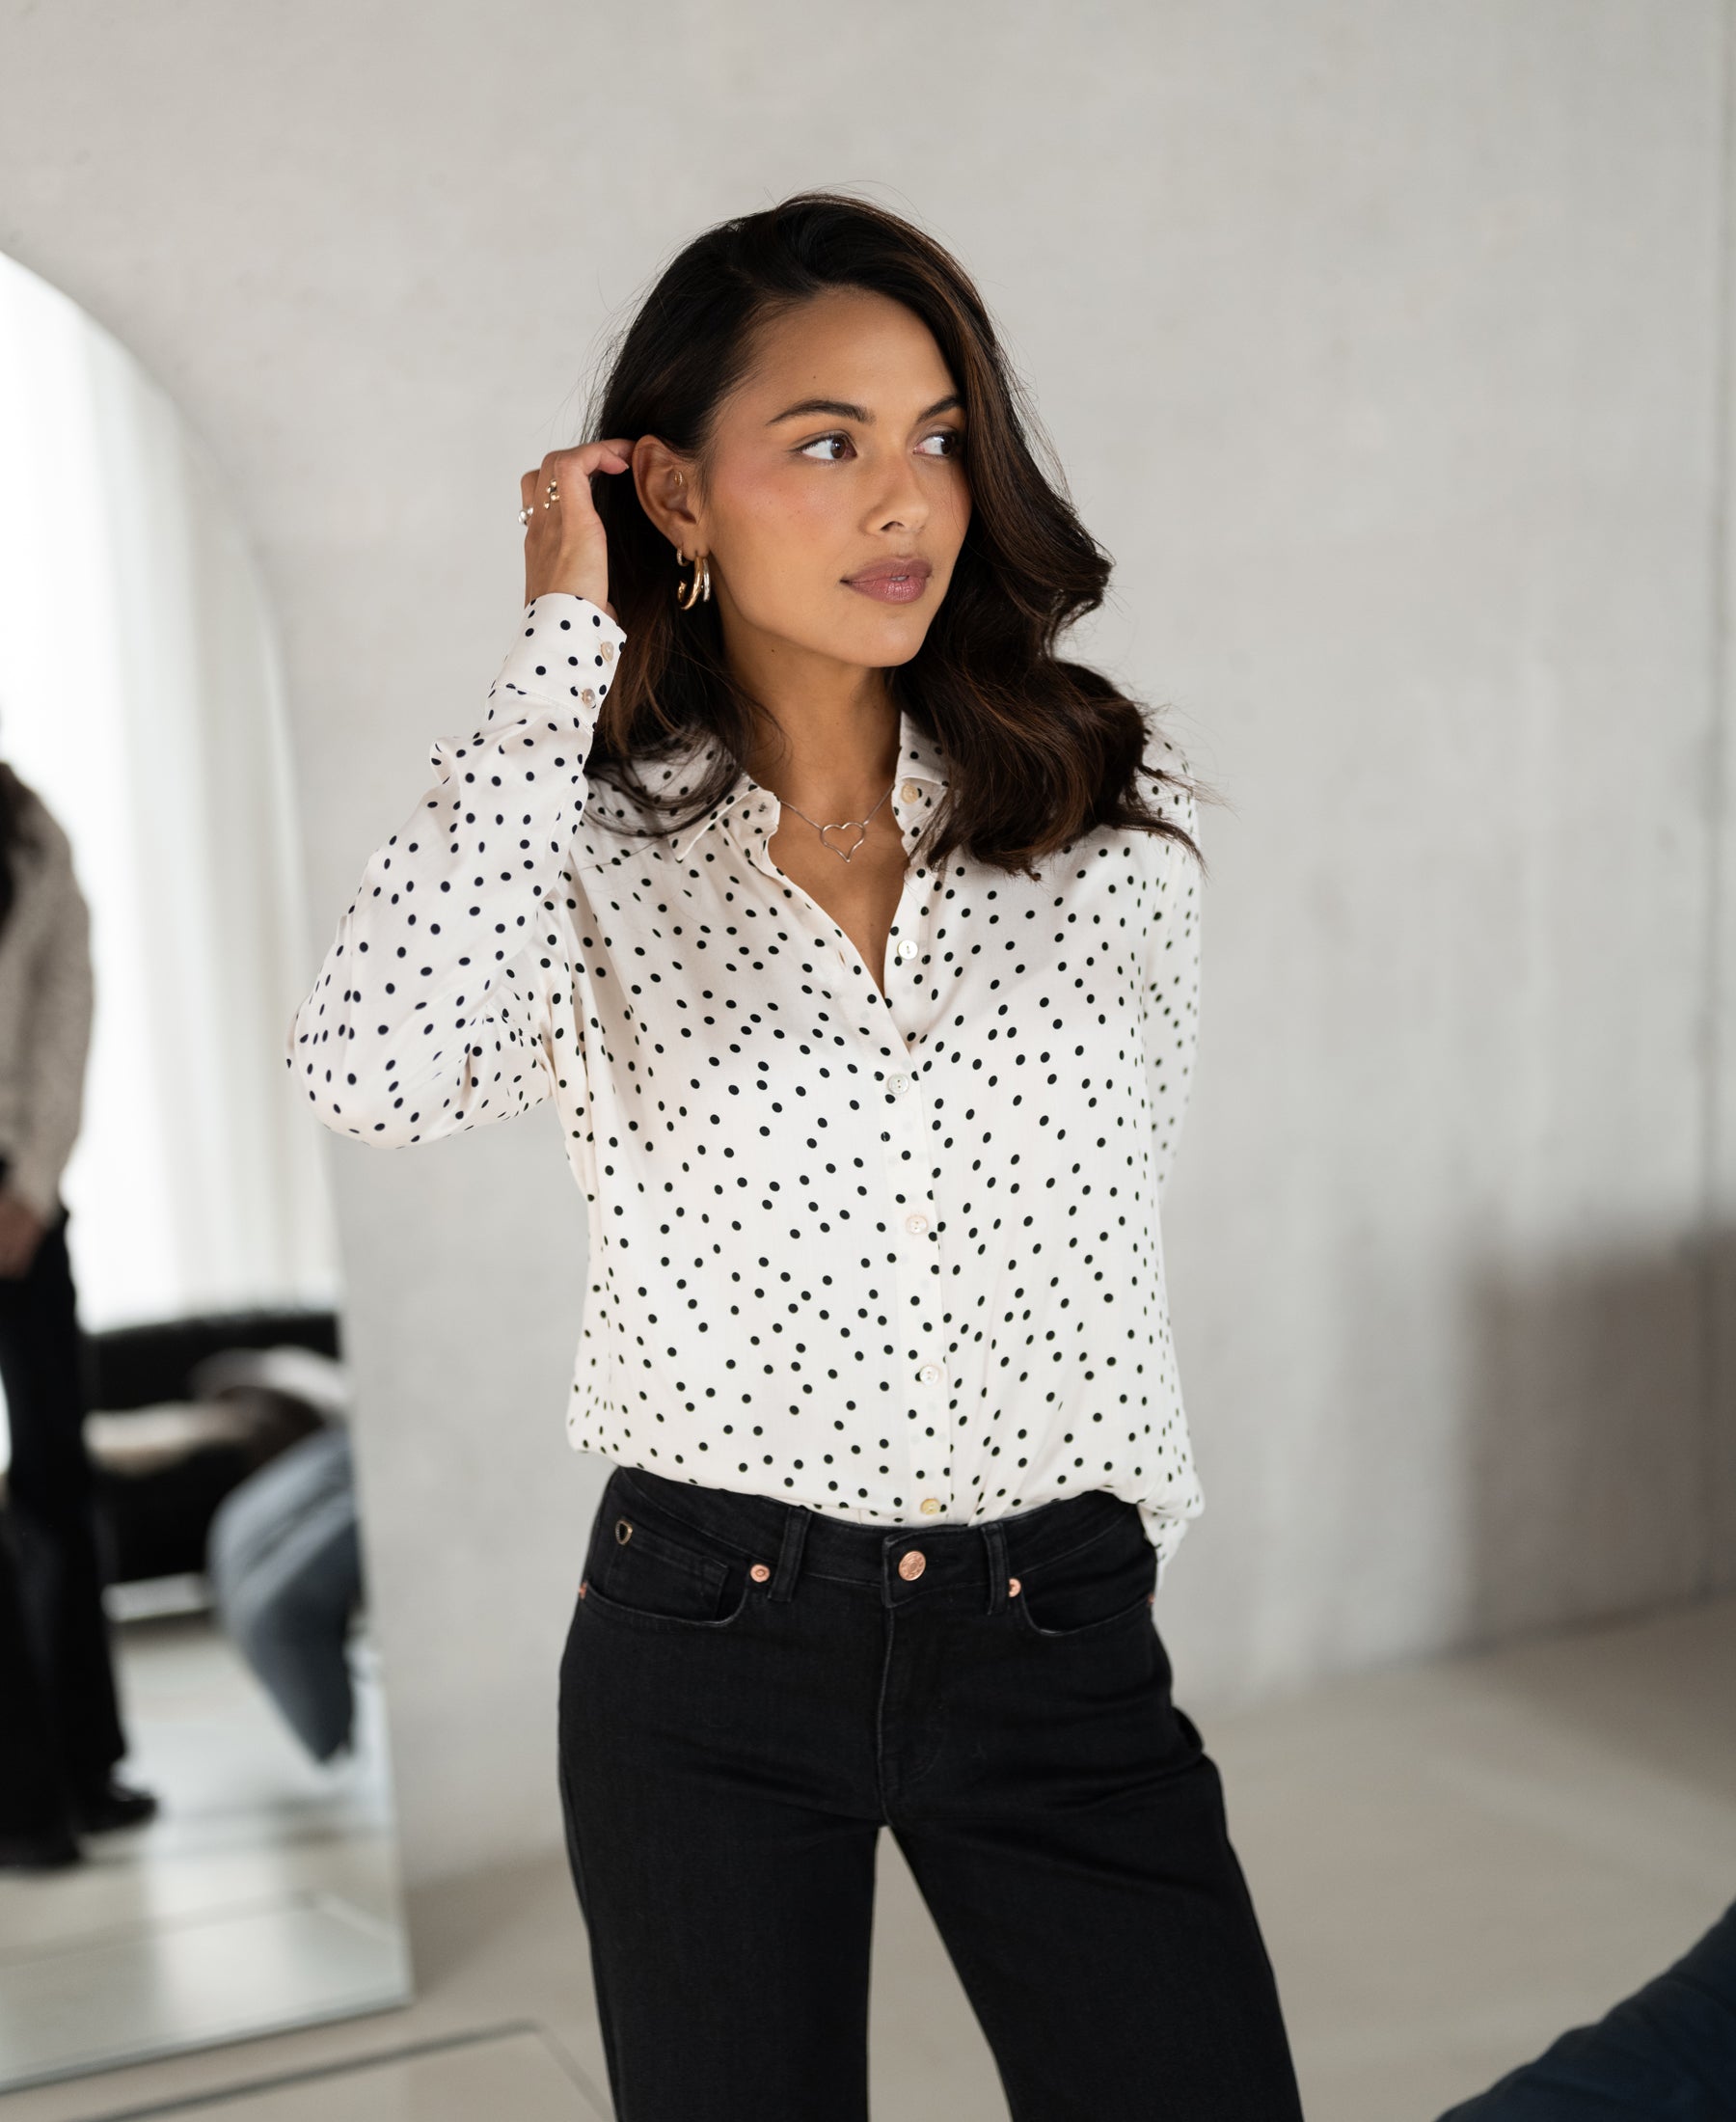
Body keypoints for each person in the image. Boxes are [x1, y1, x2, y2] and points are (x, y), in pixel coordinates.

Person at [290, 192, 1302, 2121]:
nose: (902, 498)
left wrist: (1100, 1561)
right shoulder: (579, 852)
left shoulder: (1095, 818)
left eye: (936, 436)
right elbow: (375, 1072)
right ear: (672, 492)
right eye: (825, 444)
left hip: (1052, 1622)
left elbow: (1107, 1239)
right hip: (712, 1642)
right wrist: (551, 654)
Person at [0, 759, 156, 1870]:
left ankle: (87, 1765)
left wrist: (31, 1184)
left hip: (20, 1199)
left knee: (56, 1477)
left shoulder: (24, 827)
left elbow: (67, 1001)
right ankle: (20, 1800)